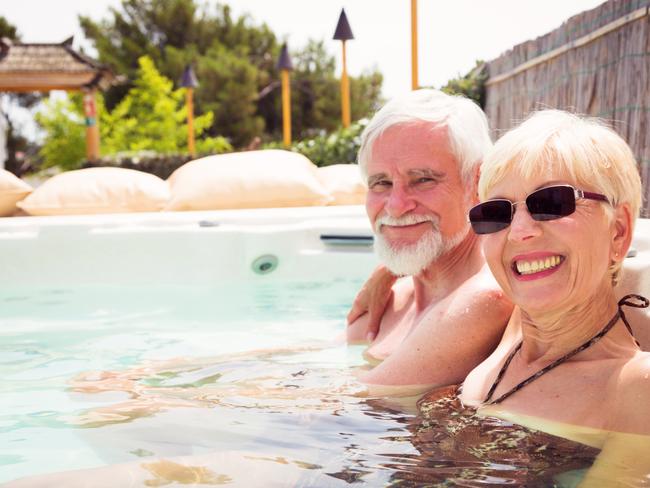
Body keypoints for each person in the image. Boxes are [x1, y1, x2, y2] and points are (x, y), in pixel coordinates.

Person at [456, 110, 650, 480]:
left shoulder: (636, 388)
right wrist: (386, 274)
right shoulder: (516, 325)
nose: (519, 232)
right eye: (496, 213)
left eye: (551, 203)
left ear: (619, 232)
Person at [346, 89, 512, 392]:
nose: (396, 206)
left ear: (477, 183)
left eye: (423, 179)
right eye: (381, 183)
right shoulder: (394, 296)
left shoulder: (483, 299)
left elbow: (351, 402)